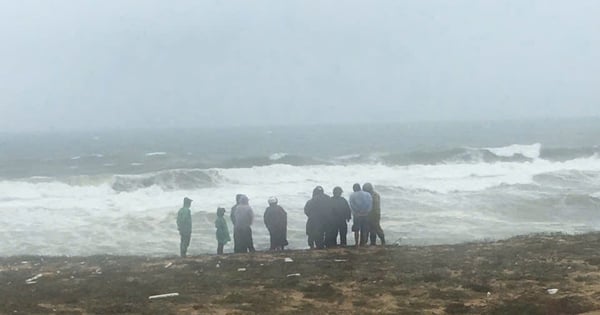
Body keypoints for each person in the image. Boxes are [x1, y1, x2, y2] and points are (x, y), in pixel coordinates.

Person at [348, 183, 372, 248]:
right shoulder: (368, 194)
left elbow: (352, 205)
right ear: (360, 187)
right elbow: (370, 205)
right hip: (366, 214)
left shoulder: (352, 195)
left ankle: (356, 243)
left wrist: (357, 212)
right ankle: (363, 244)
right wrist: (366, 212)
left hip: (357, 215)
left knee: (356, 230)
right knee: (364, 229)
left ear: (354, 189)